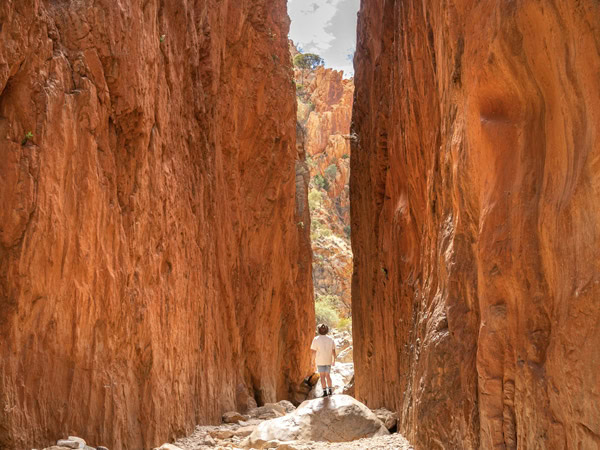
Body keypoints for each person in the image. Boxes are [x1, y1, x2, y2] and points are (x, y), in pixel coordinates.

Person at [310, 323, 336, 397]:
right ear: (327, 330)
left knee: (322, 377)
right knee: (328, 376)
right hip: (328, 360)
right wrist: (334, 360)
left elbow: (314, 352)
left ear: (319, 330)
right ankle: (330, 391)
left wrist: (312, 361)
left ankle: (324, 392)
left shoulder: (316, 339)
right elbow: (333, 351)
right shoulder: (330, 339)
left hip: (320, 360)